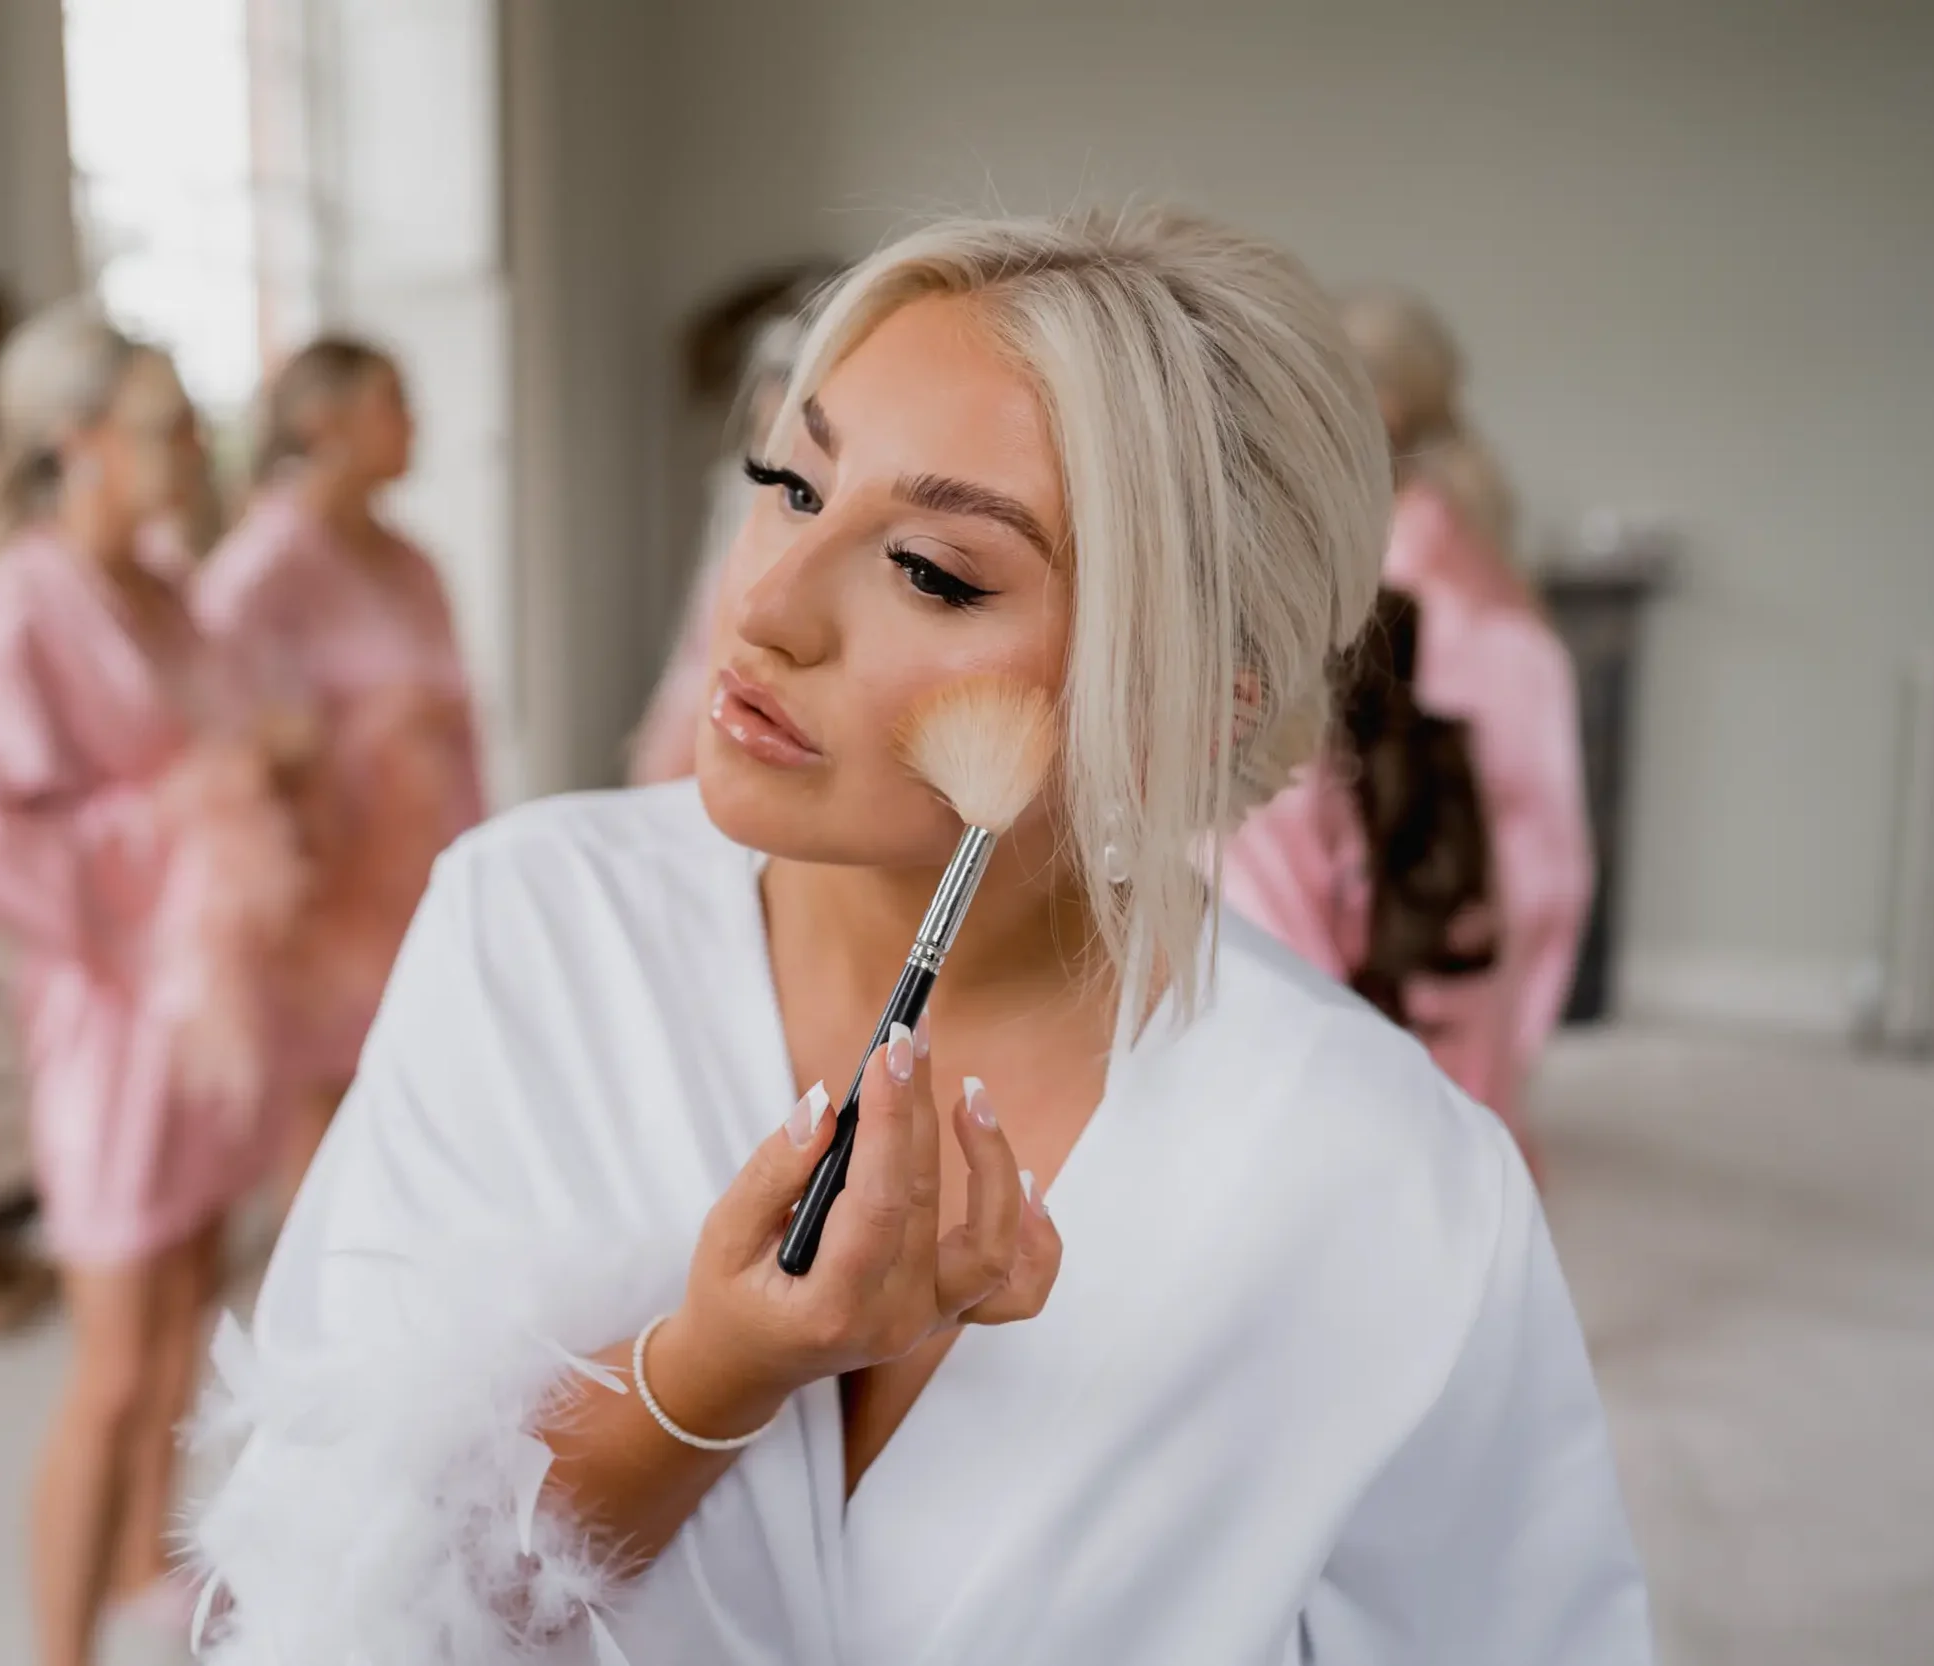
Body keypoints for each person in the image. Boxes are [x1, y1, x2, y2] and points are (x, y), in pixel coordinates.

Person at [189, 208, 1650, 1663]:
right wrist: (716, 1368)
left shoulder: (1389, 1182)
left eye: (934, 570)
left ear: (1191, 701)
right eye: (792, 484)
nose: (761, 606)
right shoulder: (530, 929)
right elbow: (329, 1596)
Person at [0, 302, 306, 1666]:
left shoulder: (168, 584)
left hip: (216, 1000)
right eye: (163, 422)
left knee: (195, 1312)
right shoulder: (10, 614)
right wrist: (185, 810)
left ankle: (153, 1579)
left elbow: (215, 755)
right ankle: (57, 1649)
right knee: (112, 1361)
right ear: (76, 443)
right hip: (110, 1009)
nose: (195, 443)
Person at [1223, 285, 1592, 1177]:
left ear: (1376, 414)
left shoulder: (1435, 601)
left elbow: (1528, 870)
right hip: (1426, 956)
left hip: (1416, 962)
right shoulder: (1437, 556)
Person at [194, 337, 486, 1205]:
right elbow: (217, 743)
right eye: (392, 400)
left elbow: (462, 732)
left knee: (413, 1105)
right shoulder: (259, 571)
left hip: (422, 874)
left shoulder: (415, 564)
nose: (414, 421)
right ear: (325, 423)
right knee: (330, 1127)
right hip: (325, 891)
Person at [629, 268, 837, 784]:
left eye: (786, 385)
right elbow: (701, 615)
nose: (772, 404)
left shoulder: (823, 495)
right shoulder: (737, 485)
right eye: (770, 386)